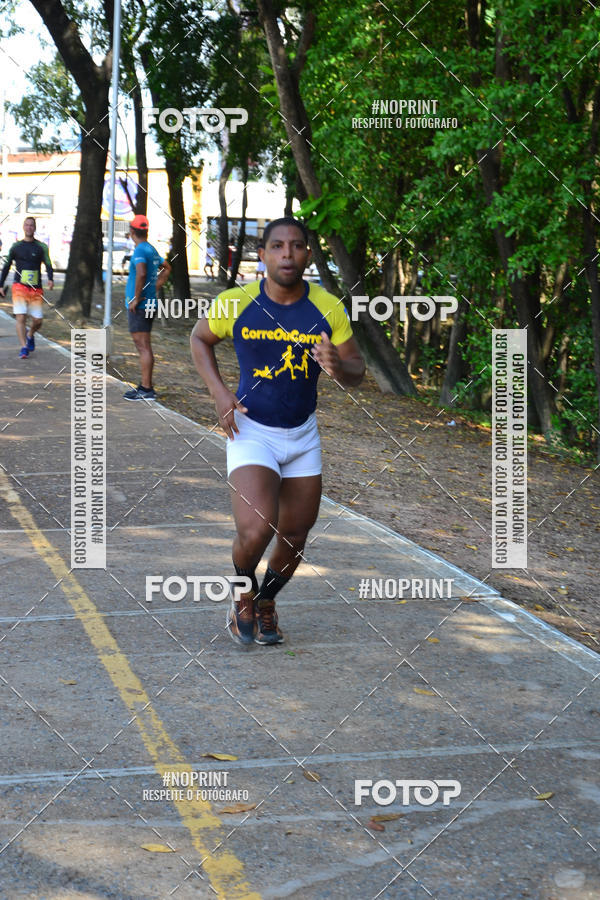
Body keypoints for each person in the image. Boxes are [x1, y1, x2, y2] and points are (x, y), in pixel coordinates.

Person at [190, 217, 365, 646]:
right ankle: (242, 593)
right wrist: (219, 393)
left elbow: (358, 371)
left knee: (295, 537)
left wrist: (338, 366)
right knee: (257, 528)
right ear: (264, 254)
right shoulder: (237, 301)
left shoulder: (327, 307)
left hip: (302, 435)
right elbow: (199, 339)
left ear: (308, 253)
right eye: (278, 246)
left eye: (297, 246)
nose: (288, 254)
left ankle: (266, 601)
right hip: (252, 430)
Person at [123, 214, 171, 401]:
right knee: (144, 346)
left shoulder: (140, 250)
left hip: (141, 305)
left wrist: (136, 298)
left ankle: (146, 389)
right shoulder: (150, 249)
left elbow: (141, 273)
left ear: (132, 231)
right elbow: (167, 268)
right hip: (149, 302)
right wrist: (155, 286)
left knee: (143, 347)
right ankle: (145, 386)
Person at [0, 216, 53, 358]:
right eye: (27, 225)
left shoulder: (41, 247)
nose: (29, 227)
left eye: (31, 225)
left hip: (36, 289)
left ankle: (30, 334)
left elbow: (48, 263)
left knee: (38, 320)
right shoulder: (16, 247)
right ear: (23, 227)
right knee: (21, 317)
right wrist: (1, 284)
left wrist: (51, 278)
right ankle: (23, 347)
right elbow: (6, 265)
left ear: (34, 228)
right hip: (19, 287)